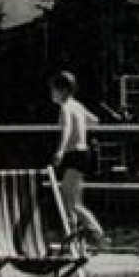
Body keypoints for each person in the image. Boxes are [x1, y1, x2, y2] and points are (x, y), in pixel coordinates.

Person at [48, 71, 106, 249]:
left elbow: (65, 131)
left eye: (53, 90)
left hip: (74, 155)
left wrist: (59, 151)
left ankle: (99, 234)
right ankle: (72, 239)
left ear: (63, 90)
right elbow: (95, 121)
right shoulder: (78, 106)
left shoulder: (66, 107)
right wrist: (81, 129)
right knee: (72, 200)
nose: (51, 93)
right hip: (82, 154)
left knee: (71, 202)